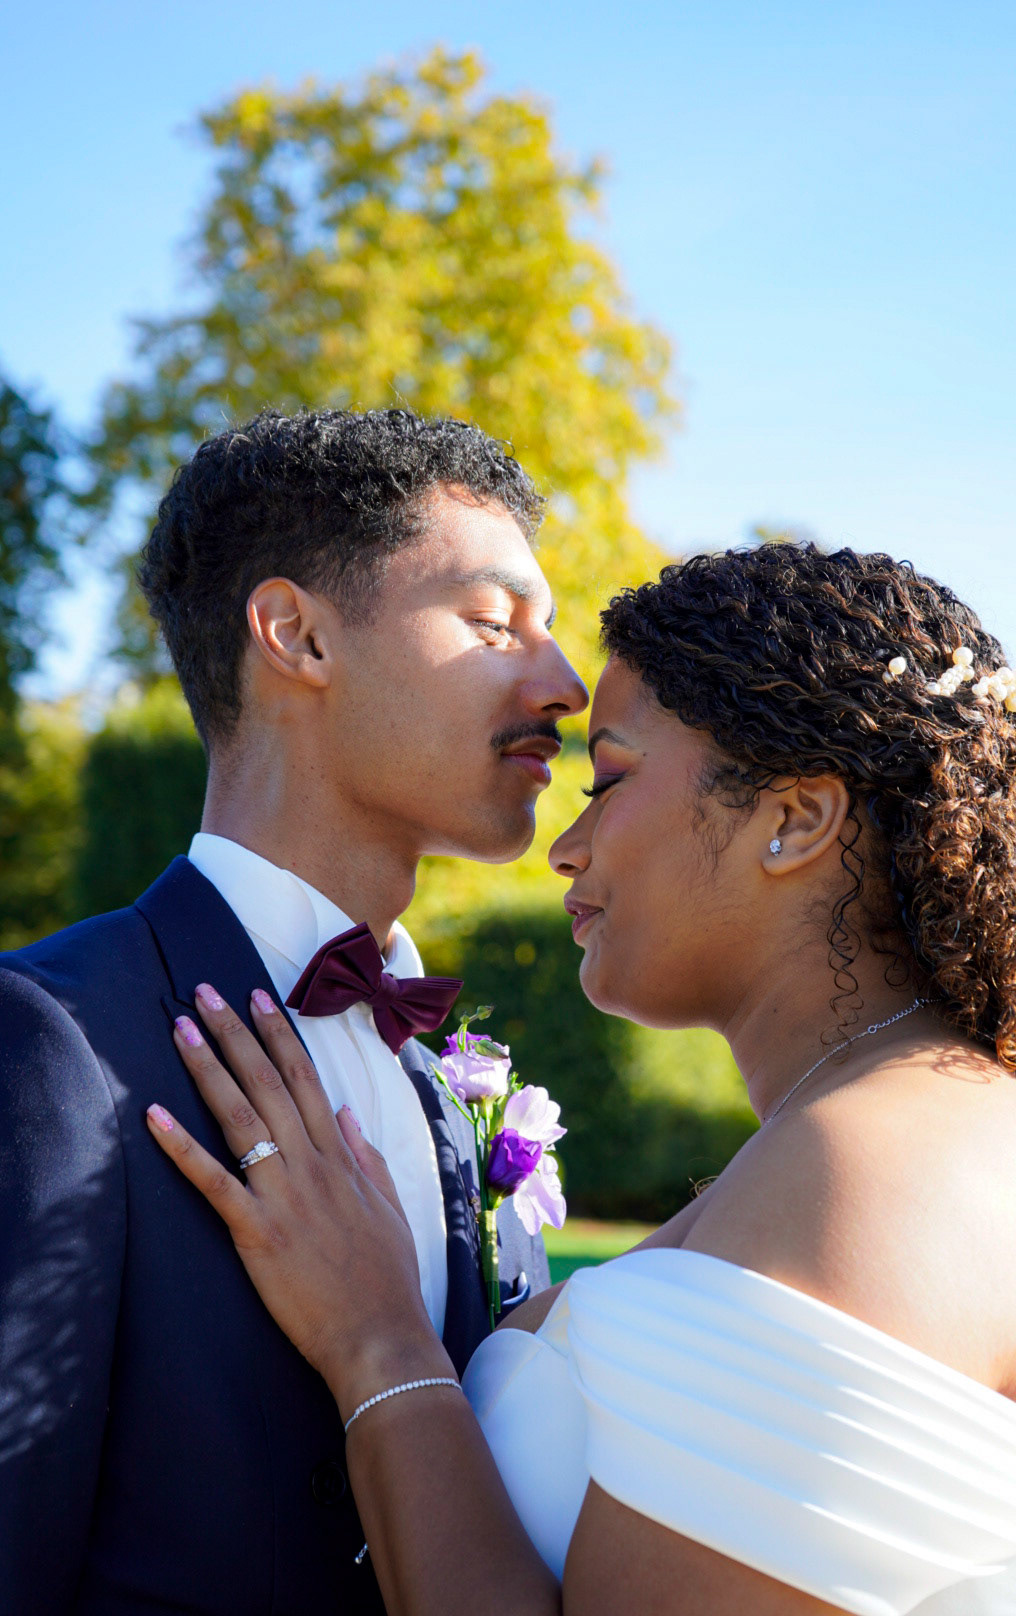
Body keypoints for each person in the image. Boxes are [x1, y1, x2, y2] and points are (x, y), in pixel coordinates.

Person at [153, 542, 1016, 1616]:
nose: (568, 846)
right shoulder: (896, 1127)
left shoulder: (877, 1169)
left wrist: (378, 1343)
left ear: (793, 820)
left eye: (610, 781)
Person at [0, 407, 588, 1614]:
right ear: (297, 634)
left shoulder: (454, 1070)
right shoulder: (52, 1041)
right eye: (493, 622)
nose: (565, 686)